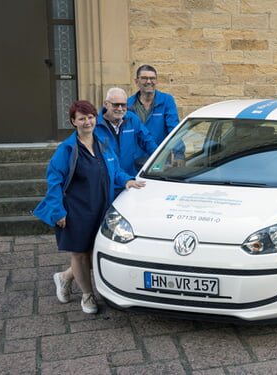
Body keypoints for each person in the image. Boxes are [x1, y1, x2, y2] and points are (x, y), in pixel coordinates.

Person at [33, 100, 146, 314]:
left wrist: (127, 180)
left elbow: (115, 168)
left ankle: (65, 277)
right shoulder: (67, 149)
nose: (87, 121)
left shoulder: (103, 141)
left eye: (91, 117)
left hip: (101, 207)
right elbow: (54, 181)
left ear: (96, 118)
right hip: (76, 210)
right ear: (73, 122)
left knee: (96, 253)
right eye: (82, 118)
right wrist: (58, 211)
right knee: (80, 254)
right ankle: (87, 295)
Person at [94, 88, 158, 190]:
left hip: (130, 181)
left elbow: (147, 141)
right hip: (106, 184)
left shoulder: (132, 119)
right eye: (116, 104)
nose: (120, 108)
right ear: (106, 104)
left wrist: (160, 159)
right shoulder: (95, 126)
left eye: (123, 105)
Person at [127, 65, 180, 146]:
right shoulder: (129, 104)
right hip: (136, 156)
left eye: (152, 78)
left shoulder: (166, 101)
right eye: (144, 78)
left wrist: (178, 154)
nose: (148, 81)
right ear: (137, 81)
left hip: (160, 156)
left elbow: (174, 129)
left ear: (156, 81)